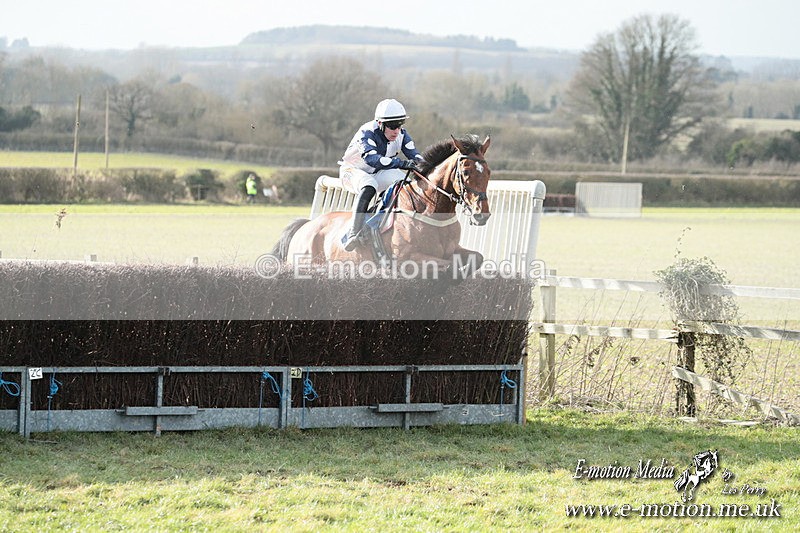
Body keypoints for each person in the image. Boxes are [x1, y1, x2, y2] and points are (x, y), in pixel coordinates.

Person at [339, 98, 424, 251]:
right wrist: (402, 163)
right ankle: (353, 231)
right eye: (392, 126)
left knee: (403, 183)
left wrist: (432, 166)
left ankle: (379, 224)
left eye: (399, 125)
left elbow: (415, 156)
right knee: (369, 185)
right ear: (380, 123)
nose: (396, 131)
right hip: (352, 171)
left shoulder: (402, 135)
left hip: (378, 173)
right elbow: (372, 159)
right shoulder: (366, 132)